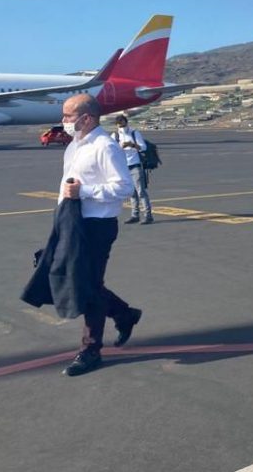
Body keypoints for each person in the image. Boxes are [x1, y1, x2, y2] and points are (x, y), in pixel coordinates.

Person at [57, 95, 143, 376]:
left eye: (68, 116)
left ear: (87, 118)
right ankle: (124, 314)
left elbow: (124, 187)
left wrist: (85, 192)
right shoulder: (74, 146)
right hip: (74, 221)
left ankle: (91, 349)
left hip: (98, 224)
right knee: (82, 282)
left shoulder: (106, 147)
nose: (64, 122)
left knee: (89, 287)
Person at [113, 115, 154, 224]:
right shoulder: (115, 135)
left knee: (141, 191)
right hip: (123, 166)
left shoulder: (134, 133)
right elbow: (111, 150)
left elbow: (143, 147)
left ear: (126, 122)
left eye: (123, 124)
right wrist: (120, 147)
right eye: (119, 125)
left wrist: (132, 145)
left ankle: (148, 215)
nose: (122, 127)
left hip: (135, 164)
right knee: (131, 192)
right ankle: (135, 214)